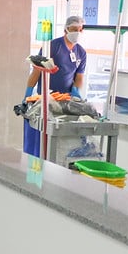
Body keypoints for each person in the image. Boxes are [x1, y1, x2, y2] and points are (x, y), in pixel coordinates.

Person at [22, 15, 87, 157]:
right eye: (73, 29)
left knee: (62, 142)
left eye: (79, 29)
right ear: (66, 29)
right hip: (45, 99)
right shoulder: (52, 46)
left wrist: (76, 91)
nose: (77, 32)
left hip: (65, 101)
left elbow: (79, 77)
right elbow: (37, 71)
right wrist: (28, 93)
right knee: (41, 139)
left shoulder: (81, 52)